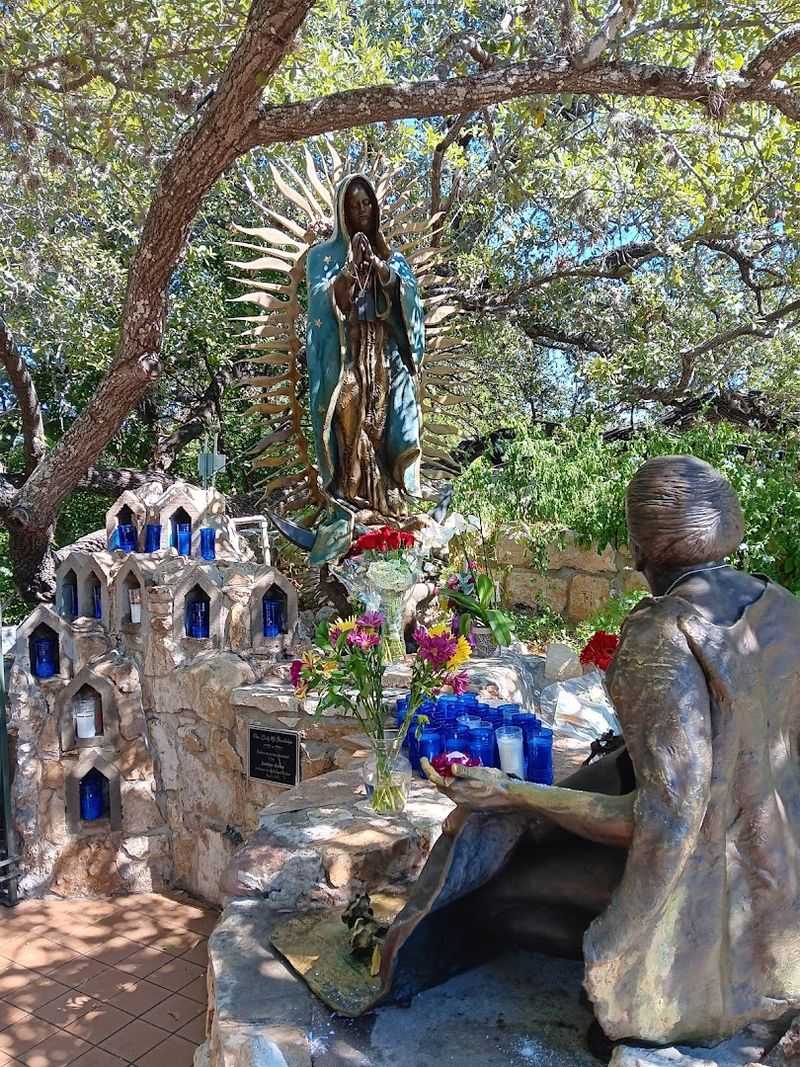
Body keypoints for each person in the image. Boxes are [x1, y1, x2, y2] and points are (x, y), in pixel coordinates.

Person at [372, 456, 800, 1051]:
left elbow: (663, 821)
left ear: (640, 546)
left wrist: (514, 792)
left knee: (494, 900)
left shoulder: (663, 634)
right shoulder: (780, 606)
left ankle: (645, 992)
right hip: (778, 870)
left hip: (707, 887)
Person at [305, 175, 425, 564]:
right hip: (347, 357)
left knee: (384, 425)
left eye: (367, 203)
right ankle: (350, 493)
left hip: (385, 357)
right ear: (343, 211)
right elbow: (322, 305)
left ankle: (389, 501)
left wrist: (381, 269)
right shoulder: (322, 257)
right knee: (349, 412)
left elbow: (409, 304)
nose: (362, 210)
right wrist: (348, 272)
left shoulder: (392, 258)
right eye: (354, 204)